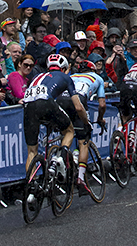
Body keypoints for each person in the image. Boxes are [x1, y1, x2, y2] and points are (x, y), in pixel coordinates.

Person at [22, 54, 91, 204]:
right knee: (69, 131)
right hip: (46, 103)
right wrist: (86, 121)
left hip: (28, 107)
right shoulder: (66, 77)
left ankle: (31, 187)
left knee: (32, 152)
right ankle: (60, 157)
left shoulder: (38, 76)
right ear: (64, 69)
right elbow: (78, 107)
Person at [64, 60, 107, 197]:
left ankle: (63, 159)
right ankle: (80, 178)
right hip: (79, 100)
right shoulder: (98, 78)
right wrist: (100, 119)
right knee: (84, 140)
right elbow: (102, 105)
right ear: (93, 70)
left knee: (67, 132)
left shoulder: (71, 76)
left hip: (62, 99)